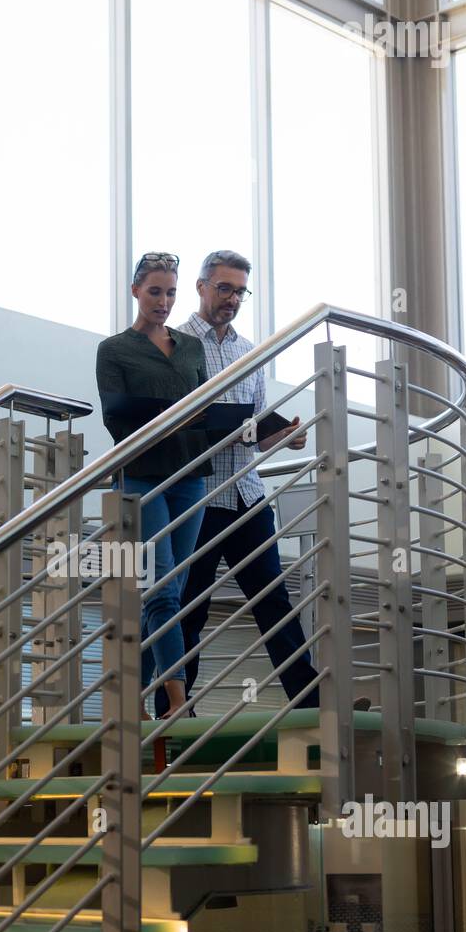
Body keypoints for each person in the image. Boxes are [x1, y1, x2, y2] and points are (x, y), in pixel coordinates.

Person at [155, 249, 330, 716]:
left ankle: (311, 703)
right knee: (189, 604)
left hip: (247, 495)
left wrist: (280, 436)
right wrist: (243, 428)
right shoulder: (173, 342)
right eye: (223, 288)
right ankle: (173, 709)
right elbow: (178, 422)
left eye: (239, 291)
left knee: (274, 602)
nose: (231, 298)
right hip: (200, 496)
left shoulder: (248, 350)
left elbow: (250, 424)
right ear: (201, 287)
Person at [96, 253, 213, 720]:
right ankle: (177, 699)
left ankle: (136, 694)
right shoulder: (114, 349)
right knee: (161, 587)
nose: (163, 302)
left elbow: (205, 410)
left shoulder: (190, 348)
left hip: (189, 477)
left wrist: (254, 429)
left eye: (170, 293)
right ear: (135, 292)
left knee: (170, 592)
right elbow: (114, 419)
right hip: (142, 475)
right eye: (154, 292)